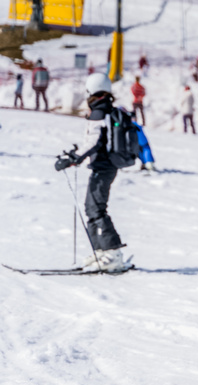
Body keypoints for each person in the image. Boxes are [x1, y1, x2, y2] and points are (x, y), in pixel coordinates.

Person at [53, 73, 130, 272]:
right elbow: (97, 141)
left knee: (95, 209)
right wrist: (75, 154)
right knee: (92, 208)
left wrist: (73, 159)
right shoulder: (106, 110)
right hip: (106, 165)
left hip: (103, 167)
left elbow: (93, 142)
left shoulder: (98, 113)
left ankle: (112, 252)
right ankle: (102, 251)